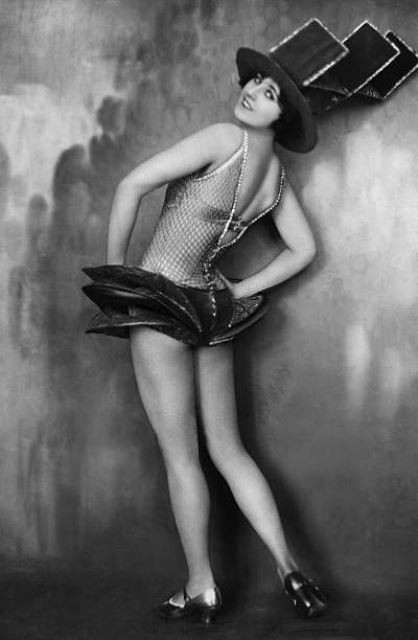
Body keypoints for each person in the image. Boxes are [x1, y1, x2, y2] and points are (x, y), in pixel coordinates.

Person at [82, 42, 328, 624]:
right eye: (257, 81)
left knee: (182, 459)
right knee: (230, 451)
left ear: (284, 116)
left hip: (162, 303)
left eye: (272, 94)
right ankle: (290, 569)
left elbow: (130, 186)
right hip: (213, 308)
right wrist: (240, 291)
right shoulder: (275, 178)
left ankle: (201, 586)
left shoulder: (224, 138)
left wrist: (118, 278)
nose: (254, 92)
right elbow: (305, 249)